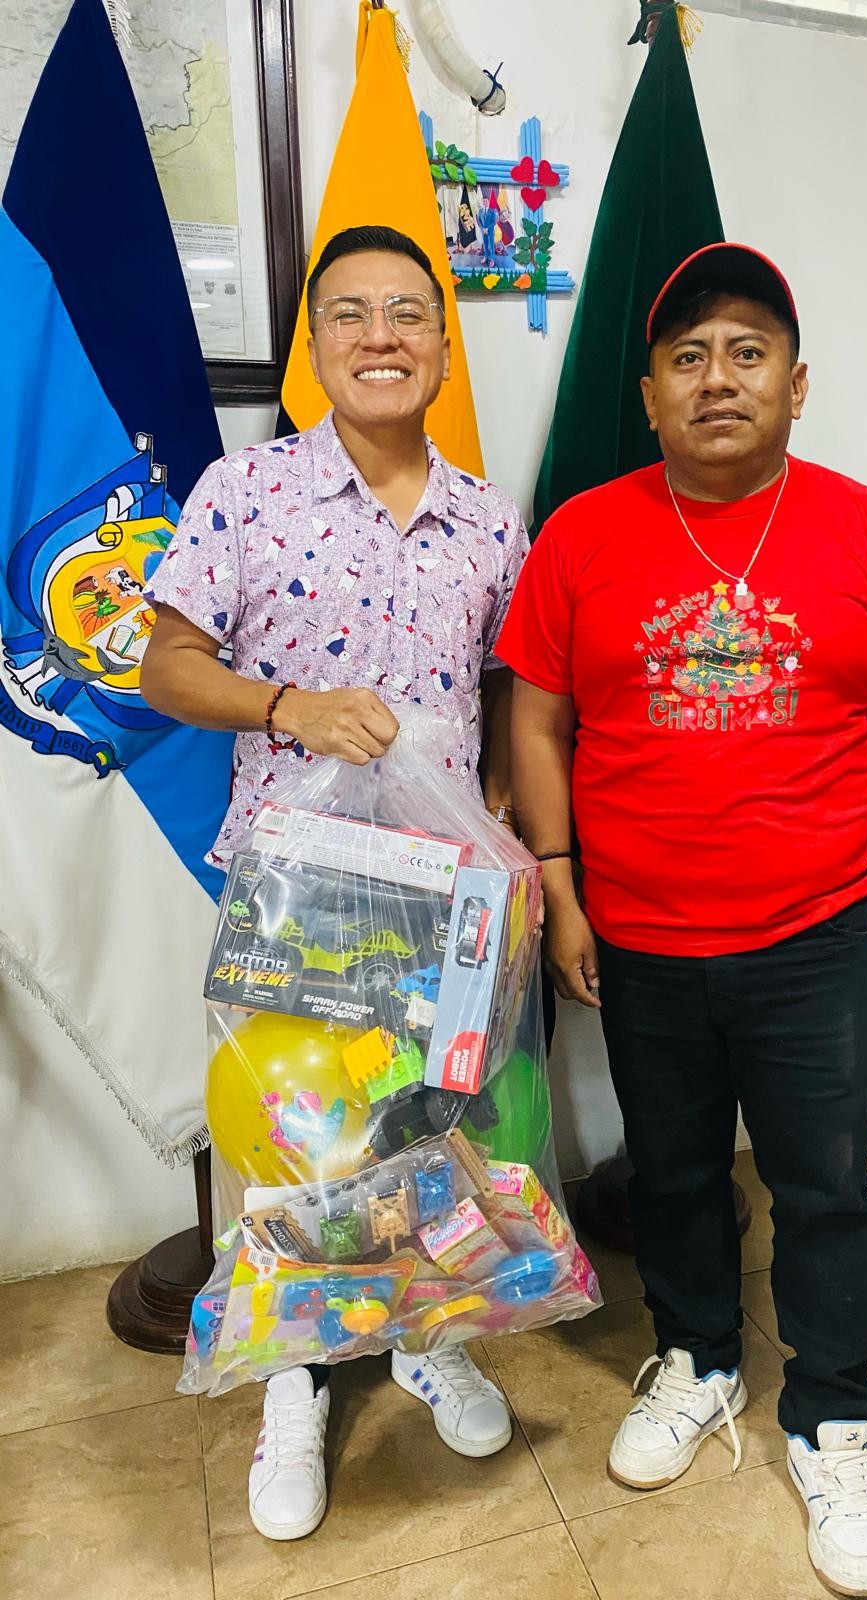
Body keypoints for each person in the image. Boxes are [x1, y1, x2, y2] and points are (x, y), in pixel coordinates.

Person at [498, 243, 867, 1599]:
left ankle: (833, 1422)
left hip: (811, 942)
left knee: (824, 1189)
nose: (719, 378)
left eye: (748, 352)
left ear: (796, 384)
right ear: (651, 394)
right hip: (640, 940)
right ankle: (699, 1358)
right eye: (689, 357)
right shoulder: (582, 534)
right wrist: (560, 885)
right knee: (670, 1177)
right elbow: (536, 720)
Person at [141, 225, 528, 1543]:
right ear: (315, 347)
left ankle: (424, 1339)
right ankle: (295, 1382)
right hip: (296, 887)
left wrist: (509, 841)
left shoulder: (489, 520)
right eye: (351, 313)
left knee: (427, 1132)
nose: (381, 336)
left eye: (407, 313)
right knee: (294, 1144)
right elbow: (166, 667)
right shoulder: (246, 492)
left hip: (445, 893)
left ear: (441, 346)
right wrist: (289, 706)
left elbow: (507, 695)